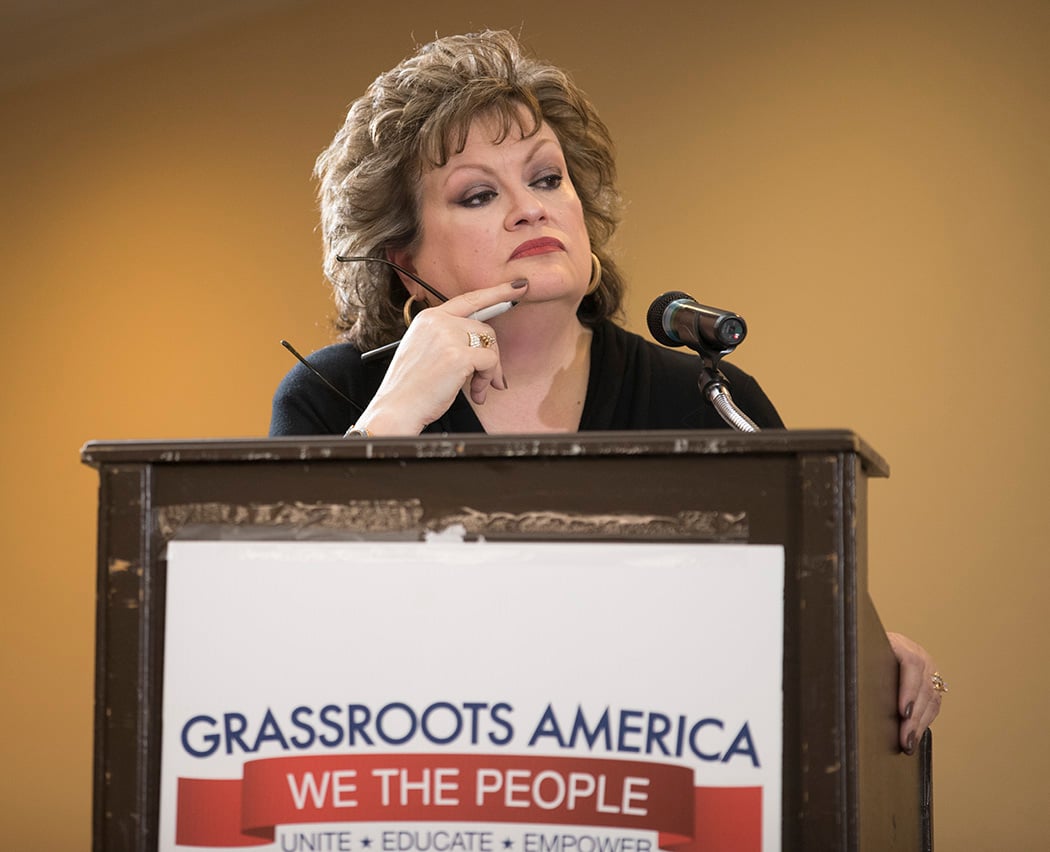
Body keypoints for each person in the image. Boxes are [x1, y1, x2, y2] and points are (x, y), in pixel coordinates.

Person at [270, 29, 944, 753]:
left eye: (547, 179)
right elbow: (288, 642)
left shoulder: (703, 395)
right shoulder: (338, 399)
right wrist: (395, 418)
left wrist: (872, 658)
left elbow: (786, 616)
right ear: (405, 262)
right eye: (477, 194)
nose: (530, 209)